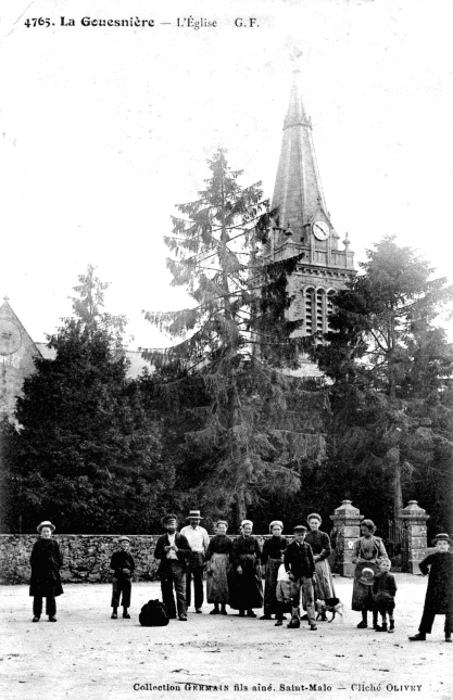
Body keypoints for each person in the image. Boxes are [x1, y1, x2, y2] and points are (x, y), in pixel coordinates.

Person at [409, 533, 453, 643]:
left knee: (450, 611)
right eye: (439, 544)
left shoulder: (452, 557)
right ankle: (422, 633)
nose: (442, 546)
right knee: (429, 609)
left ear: (449, 546)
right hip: (434, 587)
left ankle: (448, 634)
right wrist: (426, 572)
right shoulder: (433, 557)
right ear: (436, 546)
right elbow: (422, 565)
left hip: (449, 587)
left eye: (444, 544)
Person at [154, 514, 191, 621]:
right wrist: (163, 551)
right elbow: (156, 554)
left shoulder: (182, 538)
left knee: (181, 591)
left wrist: (178, 550)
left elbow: (189, 553)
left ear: (176, 525)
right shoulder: (162, 539)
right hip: (166, 566)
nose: (171, 526)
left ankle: (182, 613)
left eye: (173, 524)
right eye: (169, 524)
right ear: (165, 525)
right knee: (166, 591)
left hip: (179, 565)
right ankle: (170, 612)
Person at [351, 519, 388, 629]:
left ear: (371, 530)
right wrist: (359, 561)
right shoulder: (359, 541)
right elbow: (353, 557)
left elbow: (384, 556)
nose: (363, 533)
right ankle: (364, 621)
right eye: (362, 531)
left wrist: (376, 561)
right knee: (363, 596)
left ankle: (375, 622)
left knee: (374, 596)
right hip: (361, 571)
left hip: (374, 571)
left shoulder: (377, 541)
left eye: (366, 530)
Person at [284, 524, 317, 631]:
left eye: (302, 535)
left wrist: (313, 575)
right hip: (295, 576)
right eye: (298, 535)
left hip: (307, 575)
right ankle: (295, 620)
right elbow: (286, 561)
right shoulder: (290, 547)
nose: (301, 537)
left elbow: (312, 562)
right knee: (295, 598)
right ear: (294, 535)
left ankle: (312, 621)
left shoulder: (308, 547)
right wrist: (289, 572)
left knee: (309, 598)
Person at [29, 520, 63, 622]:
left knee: (51, 595)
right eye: (44, 531)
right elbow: (33, 559)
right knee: (38, 595)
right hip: (39, 573)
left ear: (51, 532)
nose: (46, 533)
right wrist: (36, 569)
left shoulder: (54, 544)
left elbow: (59, 558)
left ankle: (51, 614)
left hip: (51, 573)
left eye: (48, 531)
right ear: (41, 533)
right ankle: (37, 614)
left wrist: (55, 567)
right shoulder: (37, 544)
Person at [229, 520, 263, 617]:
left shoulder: (254, 540)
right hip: (241, 565)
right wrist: (238, 565)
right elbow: (233, 554)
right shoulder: (237, 540)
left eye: (249, 529)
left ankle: (250, 609)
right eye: (246, 529)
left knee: (252, 587)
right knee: (240, 586)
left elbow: (259, 553)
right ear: (242, 529)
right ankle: (241, 609)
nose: (248, 531)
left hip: (251, 566)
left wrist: (257, 563)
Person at [305, 513, 336, 622]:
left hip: (320, 563)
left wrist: (318, 557)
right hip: (308, 562)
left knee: (323, 586)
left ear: (319, 524)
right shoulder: (306, 536)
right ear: (309, 523)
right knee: (309, 586)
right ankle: (310, 611)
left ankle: (323, 612)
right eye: (312, 523)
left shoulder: (324, 535)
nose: (314, 525)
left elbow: (328, 549)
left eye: (316, 523)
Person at [180, 509, 210, 613]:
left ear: (199, 520)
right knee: (186, 581)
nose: (195, 522)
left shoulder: (203, 531)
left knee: (199, 582)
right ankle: (186, 605)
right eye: (193, 519)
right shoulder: (184, 530)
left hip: (198, 557)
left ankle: (198, 606)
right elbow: (180, 544)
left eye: (197, 520)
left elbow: (207, 546)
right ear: (189, 520)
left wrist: (206, 560)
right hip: (187, 557)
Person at [261, 520, 288, 620]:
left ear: (281, 530)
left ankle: (280, 613)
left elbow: (288, 553)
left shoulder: (284, 540)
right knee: (270, 587)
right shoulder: (268, 541)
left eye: (278, 529)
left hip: (281, 565)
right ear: (271, 530)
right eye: (274, 529)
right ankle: (268, 612)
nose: (276, 531)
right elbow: (264, 554)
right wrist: (263, 565)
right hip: (271, 565)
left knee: (281, 587)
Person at [205, 520, 233, 615]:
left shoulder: (229, 540)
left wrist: (231, 564)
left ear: (226, 529)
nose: (222, 529)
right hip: (215, 561)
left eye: (223, 528)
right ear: (216, 529)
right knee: (214, 584)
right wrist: (207, 561)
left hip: (225, 561)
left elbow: (232, 553)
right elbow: (209, 551)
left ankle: (223, 608)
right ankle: (216, 607)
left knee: (224, 585)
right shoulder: (213, 540)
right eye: (220, 528)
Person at [110, 536, 135, 619]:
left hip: (127, 578)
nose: (125, 545)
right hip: (117, 577)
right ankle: (114, 611)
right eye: (123, 543)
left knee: (126, 594)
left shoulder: (129, 555)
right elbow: (112, 566)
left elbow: (133, 566)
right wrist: (120, 569)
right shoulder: (116, 554)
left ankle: (125, 611)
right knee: (116, 594)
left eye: (126, 543)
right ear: (119, 544)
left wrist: (129, 571)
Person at [373, 557, 397, 633]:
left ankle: (392, 626)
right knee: (382, 612)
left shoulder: (391, 577)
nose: (385, 567)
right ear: (379, 566)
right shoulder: (377, 576)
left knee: (390, 612)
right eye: (383, 565)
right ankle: (384, 625)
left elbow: (393, 587)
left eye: (387, 565)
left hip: (388, 598)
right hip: (380, 597)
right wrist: (376, 595)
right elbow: (375, 587)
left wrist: (392, 596)